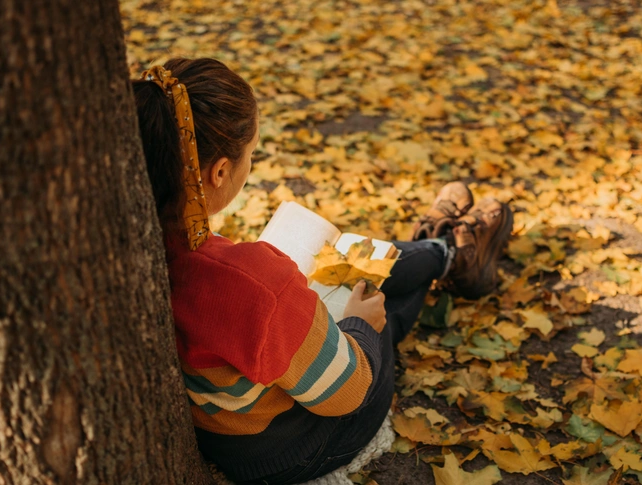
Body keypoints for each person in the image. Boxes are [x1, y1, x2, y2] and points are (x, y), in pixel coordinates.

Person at [132, 58, 512, 485]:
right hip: (299, 446)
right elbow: (348, 392)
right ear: (219, 172)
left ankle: (443, 251)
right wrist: (360, 327)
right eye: (252, 153)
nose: (251, 161)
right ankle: (448, 252)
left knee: (359, 278)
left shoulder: (140, 251)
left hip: (235, 434)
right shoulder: (251, 282)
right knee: (367, 295)